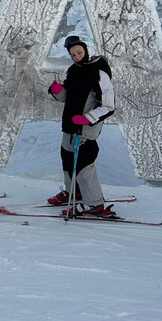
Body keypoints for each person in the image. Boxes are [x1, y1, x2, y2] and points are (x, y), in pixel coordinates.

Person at [47, 34, 116, 217]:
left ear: (87, 50)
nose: (77, 56)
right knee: (68, 160)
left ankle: (95, 203)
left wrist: (88, 118)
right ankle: (74, 193)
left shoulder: (99, 72)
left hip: (86, 127)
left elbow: (109, 106)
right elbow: (67, 97)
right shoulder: (74, 70)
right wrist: (58, 91)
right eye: (73, 54)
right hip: (69, 124)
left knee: (84, 163)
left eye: (79, 52)